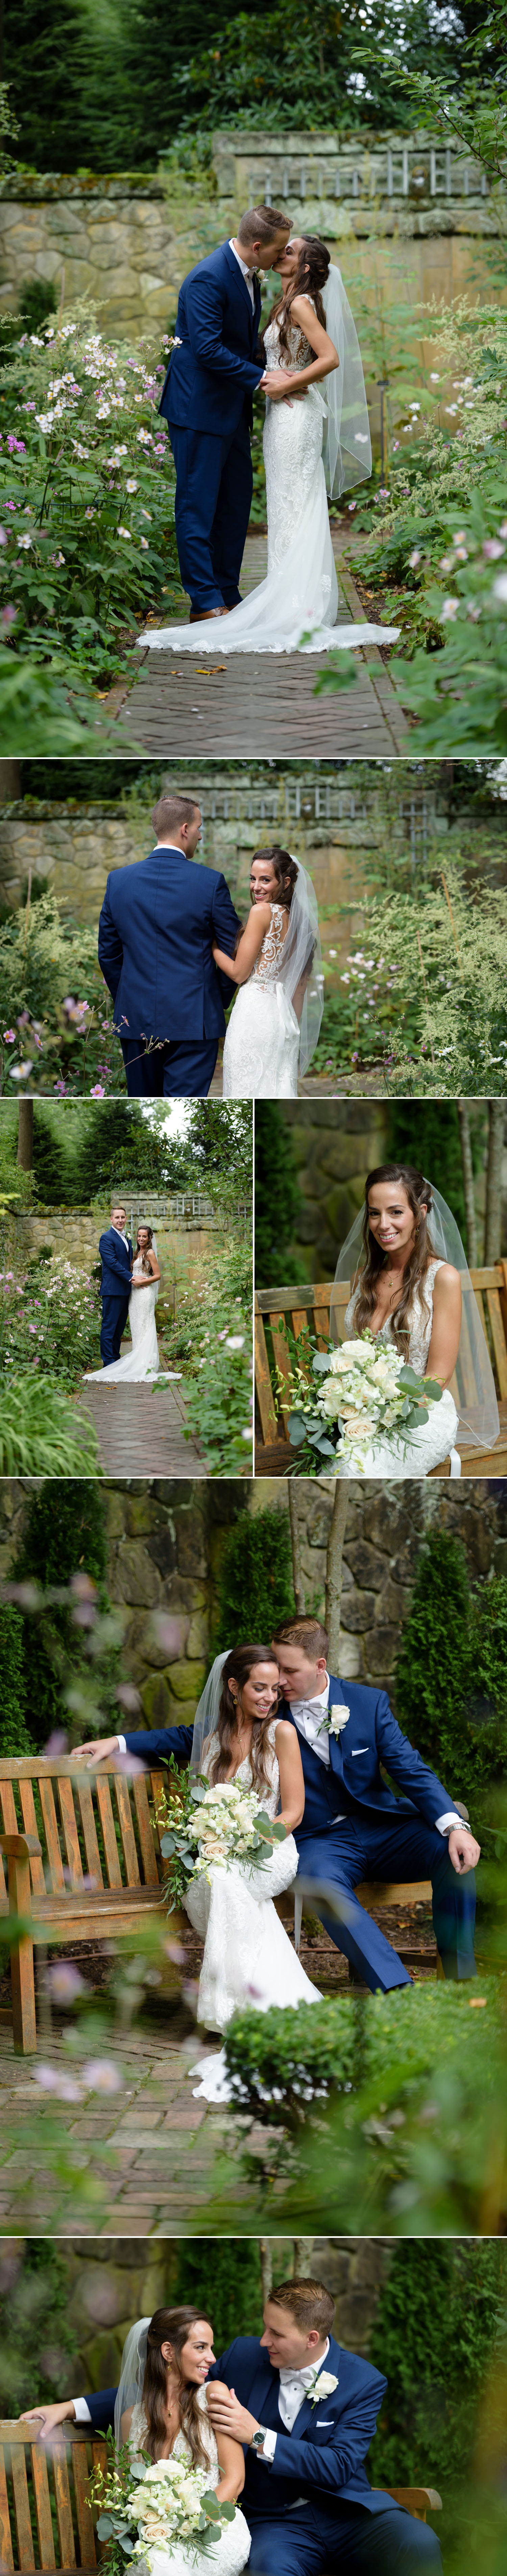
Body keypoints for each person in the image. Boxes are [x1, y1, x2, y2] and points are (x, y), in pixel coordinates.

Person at [74, 1616, 480, 1993]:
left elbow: (410, 1768)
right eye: (274, 1670)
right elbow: (190, 1736)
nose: (278, 1681)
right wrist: (120, 1742)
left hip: (382, 1827)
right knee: (320, 1882)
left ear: (320, 1665)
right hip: (320, 1839)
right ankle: (396, 1988)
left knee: (452, 1850)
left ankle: (462, 1986)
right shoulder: (266, 1707)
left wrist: (454, 1826)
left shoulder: (368, 1703)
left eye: (289, 1671)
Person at [23, 2277, 442, 2574]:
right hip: (277, 2524)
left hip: (348, 2514)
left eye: (276, 2333)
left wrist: (257, 2434)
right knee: (271, 2569)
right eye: (265, 2325)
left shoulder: (363, 2380)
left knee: (420, 2543)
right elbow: (165, 2386)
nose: (264, 2339)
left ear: (311, 2338)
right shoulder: (244, 2356)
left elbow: (337, 2466)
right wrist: (72, 2406)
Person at [75, 1644, 319, 2103]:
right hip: (217, 1856)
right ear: (234, 1687)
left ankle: (235, 2016)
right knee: (219, 1879)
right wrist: (210, 1838)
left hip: (269, 1849)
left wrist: (252, 1837)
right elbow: (200, 1810)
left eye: (275, 1688)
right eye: (259, 1687)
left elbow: (293, 1811)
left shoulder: (282, 1733)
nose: (270, 1696)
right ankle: (257, 2012)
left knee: (226, 1880)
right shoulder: (210, 1744)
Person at [141, 233, 399, 661]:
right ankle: (283, 595)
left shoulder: (299, 302)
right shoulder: (279, 297)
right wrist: (272, 381)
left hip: (294, 414)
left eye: (291, 251)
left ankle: (297, 602)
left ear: (306, 268)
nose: (283, 254)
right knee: (285, 502)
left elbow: (329, 358)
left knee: (293, 499)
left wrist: (285, 384)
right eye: (282, 247)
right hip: (272, 412)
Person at [331, 1162, 500, 1479]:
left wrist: (388, 1413)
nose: (383, 1224)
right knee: (329, 1460)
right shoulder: (362, 1279)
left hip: (421, 1415)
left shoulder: (443, 1279)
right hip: (361, 1413)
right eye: (374, 1213)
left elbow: (438, 1377)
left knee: (357, 1469)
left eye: (396, 1212)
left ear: (420, 1213)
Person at [97, 792, 240, 1098]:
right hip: (195, 1020)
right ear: (185, 829)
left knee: (143, 1102)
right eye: (200, 828)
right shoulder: (211, 882)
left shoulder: (118, 881)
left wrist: (130, 1000)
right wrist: (213, 1000)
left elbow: (109, 954)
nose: (201, 836)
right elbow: (233, 949)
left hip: (135, 1019)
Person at [216, 846, 323, 1097]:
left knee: (245, 1086)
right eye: (253, 879)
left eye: (266, 880)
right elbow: (299, 987)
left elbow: (239, 973)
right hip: (282, 1019)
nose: (256, 887)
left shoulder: (262, 912)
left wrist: (211, 948)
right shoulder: (300, 922)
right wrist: (292, 1033)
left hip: (254, 1014)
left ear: (285, 882)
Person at [85, 1226, 166, 1386]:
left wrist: (142, 1281)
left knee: (144, 1326)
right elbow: (114, 1263)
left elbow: (157, 1275)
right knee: (133, 1327)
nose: (141, 1239)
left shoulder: (149, 1253)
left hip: (143, 1293)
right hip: (131, 1293)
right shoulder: (135, 1252)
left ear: (150, 1239)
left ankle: (145, 1363)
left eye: (145, 1237)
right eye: (139, 1236)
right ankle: (117, 1362)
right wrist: (132, 1279)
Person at [97, 1204, 133, 1368]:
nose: (120, 1220)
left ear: (126, 1219)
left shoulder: (127, 1238)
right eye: (117, 1217)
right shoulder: (107, 1238)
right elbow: (112, 1263)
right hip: (112, 1290)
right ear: (111, 1219)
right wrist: (132, 1278)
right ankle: (108, 1363)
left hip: (125, 1291)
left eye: (123, 1217)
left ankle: (116, 1359)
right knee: (109, 1328)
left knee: (119, 1330)